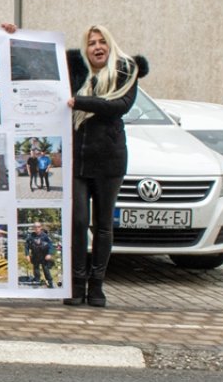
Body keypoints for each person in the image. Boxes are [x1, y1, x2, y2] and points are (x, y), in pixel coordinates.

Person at [65, 25, 146, 307]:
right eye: (91, 43)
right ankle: (75, 285)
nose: (97, 47)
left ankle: (96, 285)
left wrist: (79, 102)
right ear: (85, 49)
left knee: (102, 225)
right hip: (77, 159)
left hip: (109, 158)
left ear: (110, 47)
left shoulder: (126, 73)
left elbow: (119, 105)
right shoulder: (75, 72)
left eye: (102, 42)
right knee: (77, 222)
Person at [26, 222, 56, 287]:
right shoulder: (31, 236)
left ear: (41, 227)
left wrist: (49, 254)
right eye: (35, 227)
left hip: (44, 256)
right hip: (35, 255)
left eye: (38, 227)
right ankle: (37, 282)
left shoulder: (45, 236)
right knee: (36, 269)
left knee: (46, 270)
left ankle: (50, 283)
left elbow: (51, 245)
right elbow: (27, 246)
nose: (37, 228)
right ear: (33, 228)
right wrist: (27, 255)